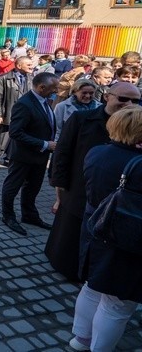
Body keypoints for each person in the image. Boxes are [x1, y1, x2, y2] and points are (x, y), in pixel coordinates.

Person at [47, 82, 141, 282]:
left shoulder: (136, 125)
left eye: (135, 100)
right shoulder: (82, 119)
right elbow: (62, 152)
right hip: (78, 187)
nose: (129, 104)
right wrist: (59, 183)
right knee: (70, 231)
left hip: (116, 194)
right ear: (107, 97)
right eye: (123, 99)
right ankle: (66, 266)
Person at [68, 105, 142, 352]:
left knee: (92, 287)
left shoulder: (97, 152)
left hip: (95, 228)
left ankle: (80, 339)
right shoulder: (137, 164)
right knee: (118, 304)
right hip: (126, 238)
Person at [0, 72, 60, 236]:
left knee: (33, 187)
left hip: (39, 156)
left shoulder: (44, 101)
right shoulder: (25, 104)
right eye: (54, 88)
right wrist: (45, 144)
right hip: (23, 156)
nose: (57, 91)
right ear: (42, 87)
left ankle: (29, 215)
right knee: (12, 187)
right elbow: (15, 133)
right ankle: (8, 216)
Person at [0, 56, 33, 169]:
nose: (31, 66)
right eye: (28, 64)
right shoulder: (4, 78)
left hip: (24, 113)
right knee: (3, 135)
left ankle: (8, 157)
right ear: (19, 66)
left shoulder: (31, 78)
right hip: (8, 112)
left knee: (18, 135)